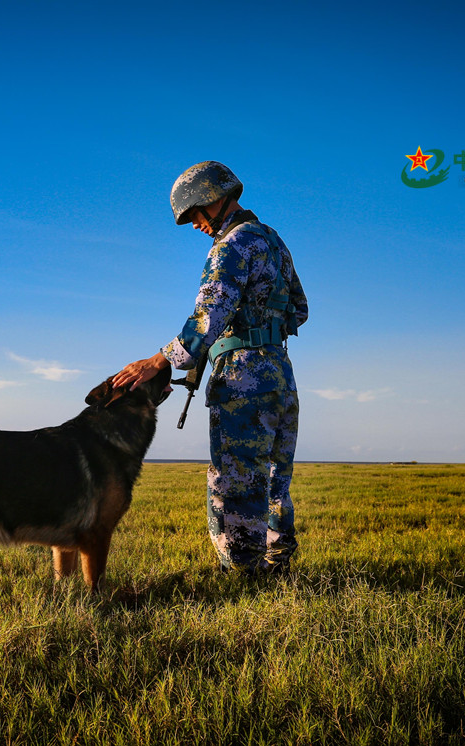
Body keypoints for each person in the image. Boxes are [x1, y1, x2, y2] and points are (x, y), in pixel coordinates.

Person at [112, 161, 308, 574]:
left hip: (242, 376)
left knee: (235, 478)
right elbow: (300, 309)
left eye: (195, 215)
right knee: (275, 476)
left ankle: (242, 574)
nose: (196, 225)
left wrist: (160, 360)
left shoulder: (231, 244)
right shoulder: (273, 240)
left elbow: (209, 317)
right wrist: (262, 326)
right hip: (280, 371)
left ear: (213, 198)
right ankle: (277, 564)